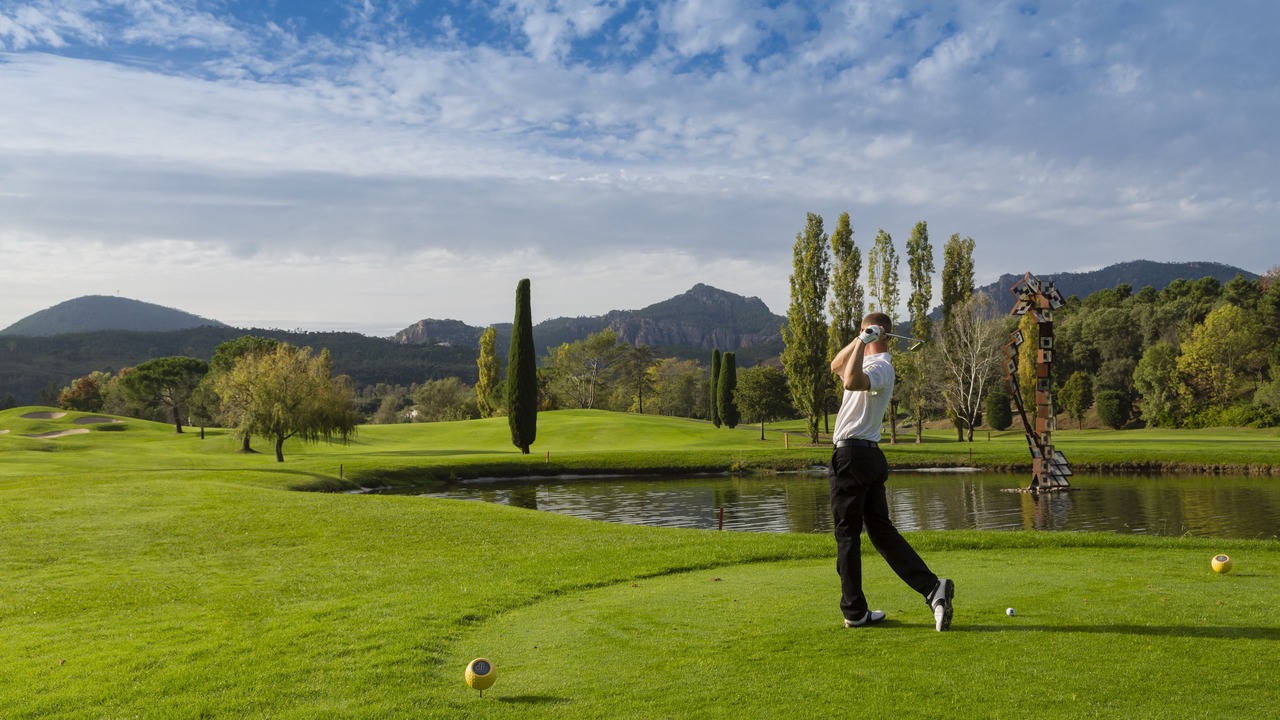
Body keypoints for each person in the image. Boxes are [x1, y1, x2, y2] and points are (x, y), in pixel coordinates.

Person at [828, 312, 954, 630]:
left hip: (853, 457)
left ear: (879, 334)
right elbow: (835, 365)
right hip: (863, 457)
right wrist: (860, 339)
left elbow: (850, 381)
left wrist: (863, 340)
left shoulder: (882, 366)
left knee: (847, 535)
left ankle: (854, 612)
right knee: (881, 533)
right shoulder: (867, 358)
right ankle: (932, 588)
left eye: (865, 333)